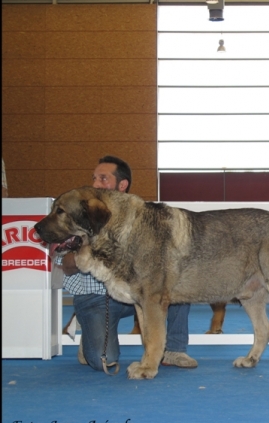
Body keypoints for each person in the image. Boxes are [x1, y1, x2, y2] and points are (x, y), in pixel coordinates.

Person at [55, 155, 198, 371]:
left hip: (132, 294)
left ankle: (175, 350)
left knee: (174, 282)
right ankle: (89, 337)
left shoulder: (142, 218)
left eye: (103, 179)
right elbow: (64, 265)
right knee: (104, 359)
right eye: (94, 178)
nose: (95, 184)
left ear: (122, 186)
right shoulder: (79, 212)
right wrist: (87, 252)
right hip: (96, 299)